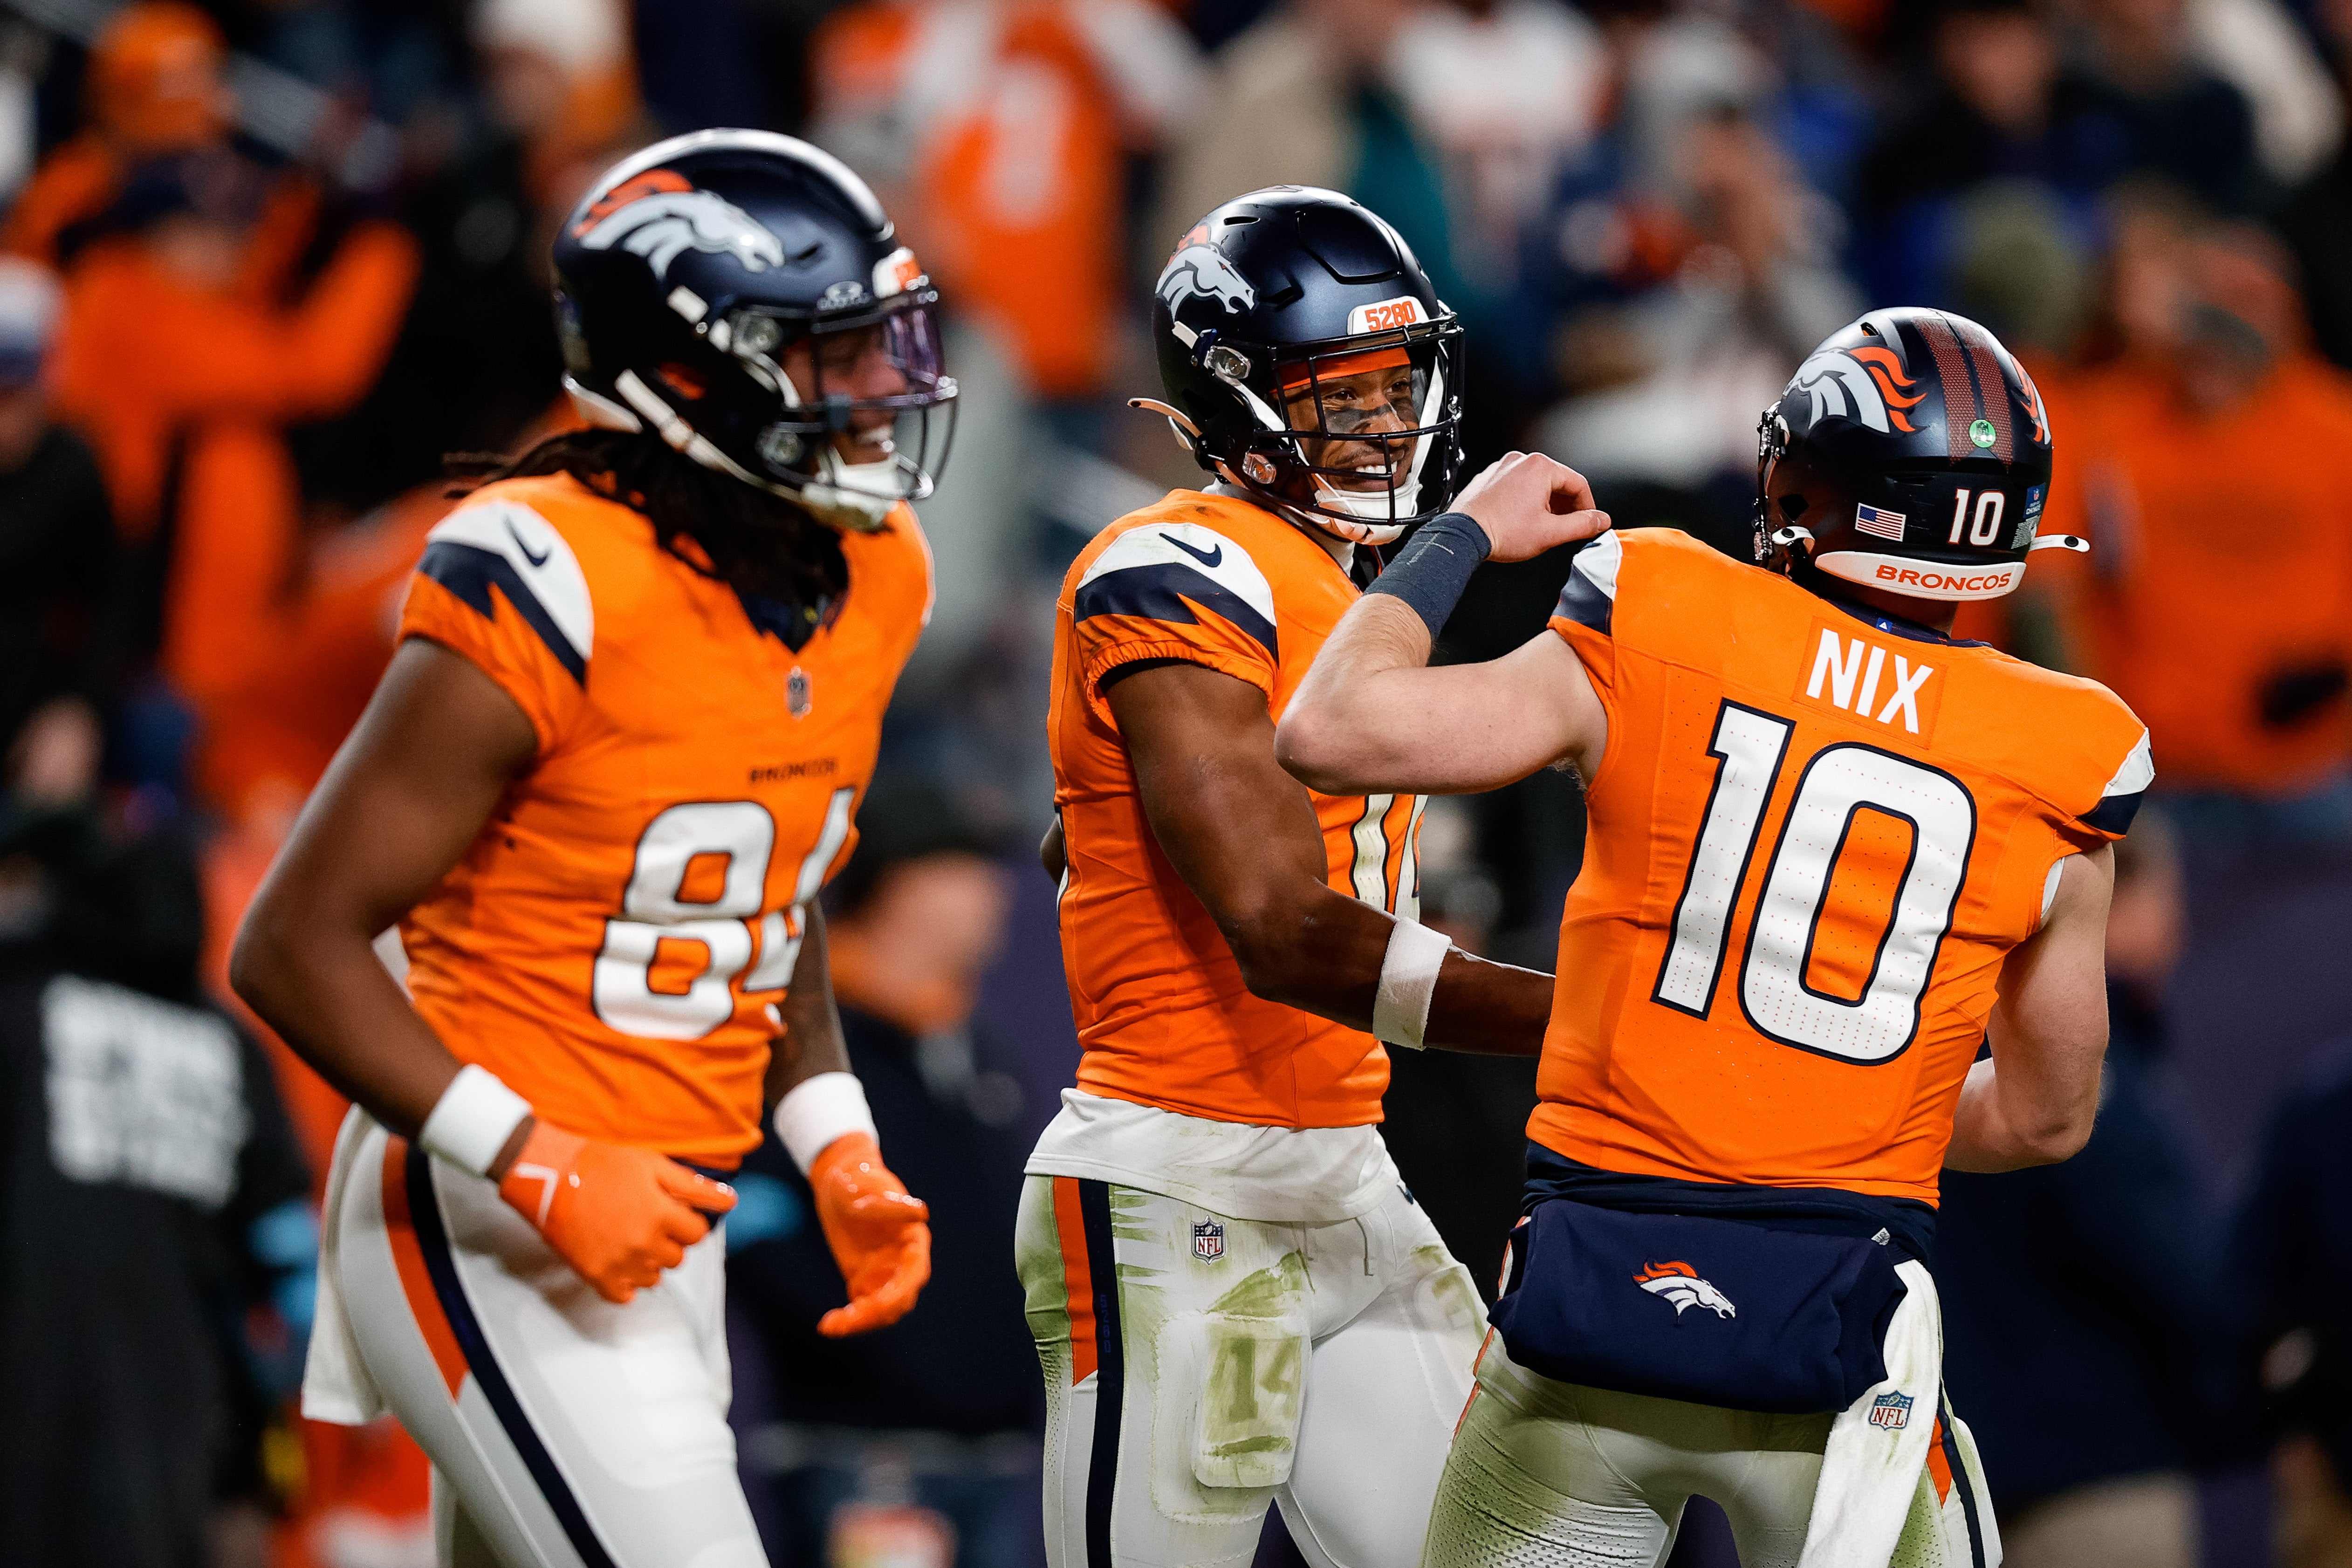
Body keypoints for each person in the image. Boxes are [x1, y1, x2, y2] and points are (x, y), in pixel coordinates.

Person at [1278, 306, 2148, 1567]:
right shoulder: (2070, 747)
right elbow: (2046, 1114)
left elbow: (1332, 728)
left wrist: (1459, 528)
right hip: (1845, 1353)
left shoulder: (1665, 602)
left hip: (1592, 1308)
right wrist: (1846, 1100)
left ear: (1809, 485)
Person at [229, 129, 957, 1568]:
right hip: (491, 1207)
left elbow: (771, 870)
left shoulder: (876, 569)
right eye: (829, 355)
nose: (882, 392)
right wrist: (540, 1160)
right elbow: (293, 942)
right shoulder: (547, 573)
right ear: (690, 369)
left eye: (883, 345)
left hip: (667, 1221)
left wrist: (835, 1140)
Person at [1019, 186, 1559, 1568]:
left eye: (1398, 385)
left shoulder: (1332, 585)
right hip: (1183, 1178)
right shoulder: (1175, 563)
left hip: (1345, 1171)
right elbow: (1281, 928)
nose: (1385, 425)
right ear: (1238, 400)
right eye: (1342, 392)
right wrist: (1599, 1014)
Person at [728, 774, 1039, 1568]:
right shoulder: (808, 1053)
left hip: (995, 1460)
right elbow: (751, 1224)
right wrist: (902, 1359)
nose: (995, 892)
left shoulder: (971, 1055)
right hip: (869, 1463)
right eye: (963, 866)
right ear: (900, 885)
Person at [1934, 813, 2228, 1568]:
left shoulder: (1924, 1031)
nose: (2181, 928)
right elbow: (2154, 1247)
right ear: (2106, 897)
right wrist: (2258, 1359)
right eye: (2170, 896)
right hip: (2089, 1468)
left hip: (1937, 1466)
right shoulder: (2084, 1053)